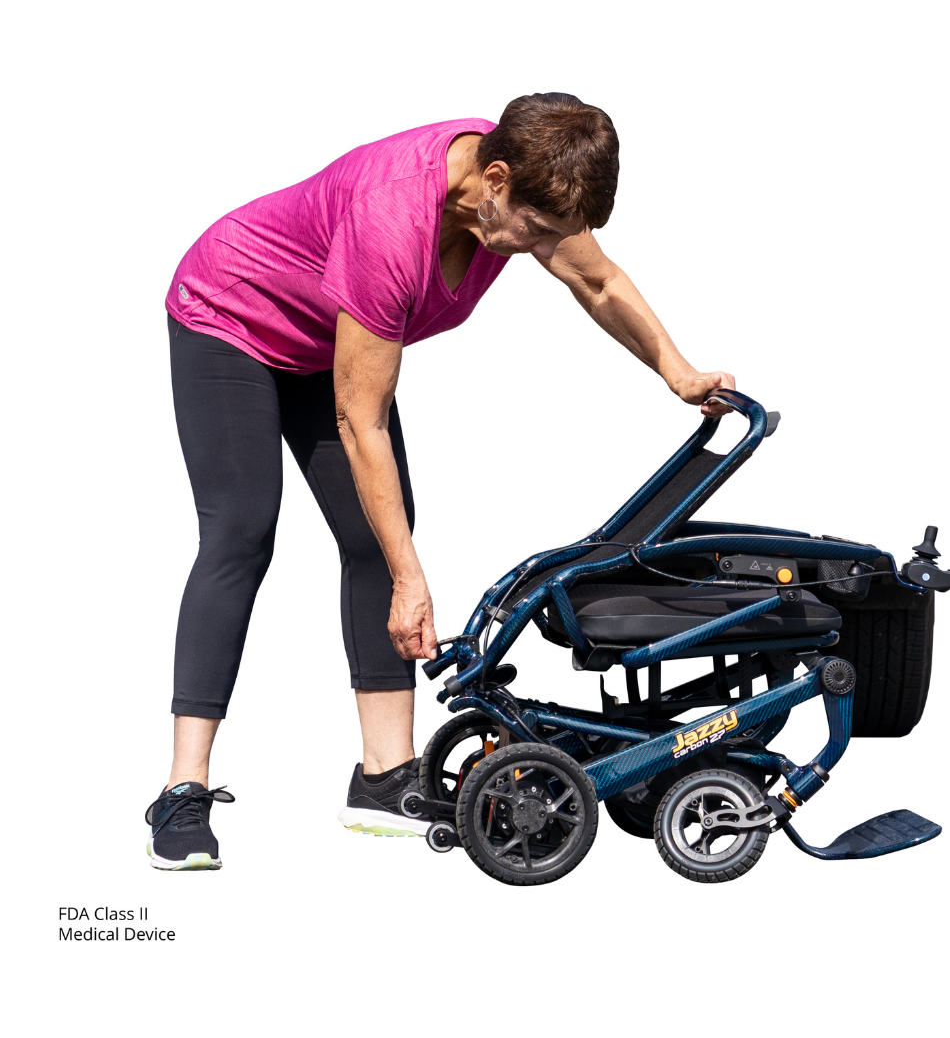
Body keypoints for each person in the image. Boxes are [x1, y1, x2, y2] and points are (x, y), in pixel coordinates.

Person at [144, 92, 735, 870]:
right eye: (539, 231)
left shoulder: (523, 188)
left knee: (374, 533)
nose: (547, 249)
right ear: (495, 178)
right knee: (242, 531)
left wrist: (678, 371)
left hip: (322, 337)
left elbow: (599, 283)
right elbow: (363, 420)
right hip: (232, 314)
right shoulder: (395, 222)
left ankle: (385, 774)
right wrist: (410, 578)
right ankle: (182, 791)